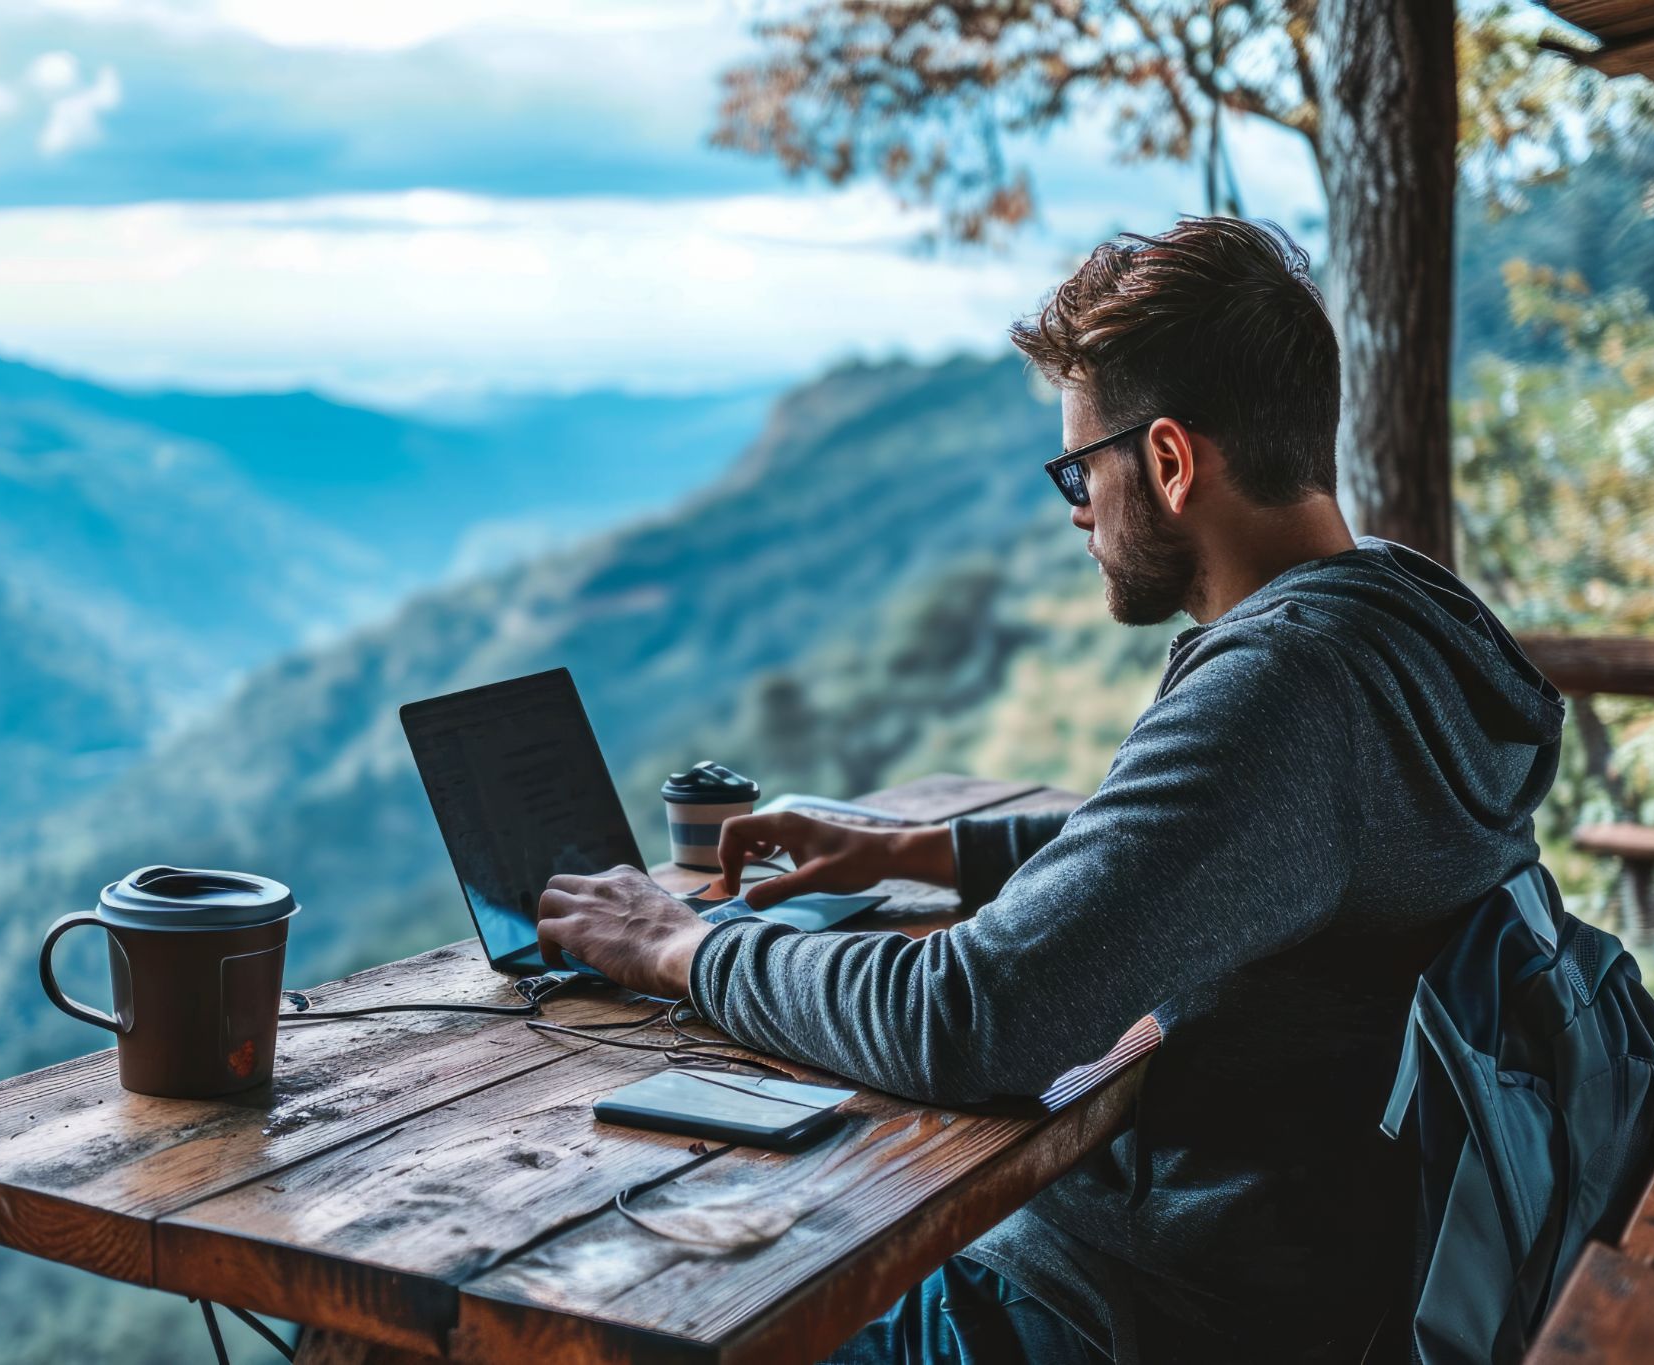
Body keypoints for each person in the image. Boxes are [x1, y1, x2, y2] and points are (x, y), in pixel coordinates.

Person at [533, 217, 1565, 1363]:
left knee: (638, 1319)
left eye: (1080, 466)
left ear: (1169, 462)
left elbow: (973, 1020)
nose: (1073, 505)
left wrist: (681, 949)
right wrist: (918, 851)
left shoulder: (1282, 688)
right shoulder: (1401, 618)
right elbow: (1214, 850)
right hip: (1313, 1266)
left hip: (1145, 1313)